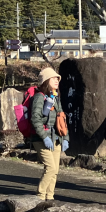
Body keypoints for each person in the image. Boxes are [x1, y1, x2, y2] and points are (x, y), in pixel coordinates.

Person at [30, 67, 68, 201]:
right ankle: (40, 196)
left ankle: (50, 197)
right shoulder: (39, 97)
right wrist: (45, 137)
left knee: (55, 170)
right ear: (46, 80)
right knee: (50, 168)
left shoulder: (54, 97)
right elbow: (35, 119)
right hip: (41, 139)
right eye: (53, 78)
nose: (57, 80)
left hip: (56, 138)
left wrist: (65, 138)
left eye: (58, 78)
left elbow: (61, 118)